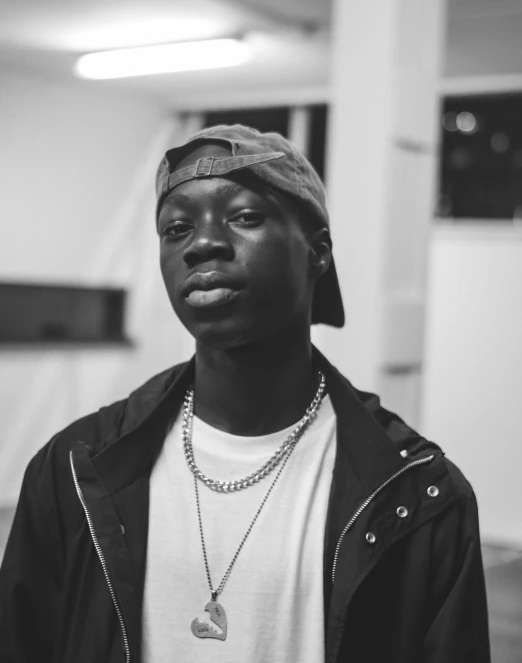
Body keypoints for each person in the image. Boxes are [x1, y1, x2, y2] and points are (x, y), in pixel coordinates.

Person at [0, 124, 490, 662]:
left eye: (244, 217)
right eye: (177, 228)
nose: (203, 243)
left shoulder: (416, 495)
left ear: (318, 252)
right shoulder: (73, 470)